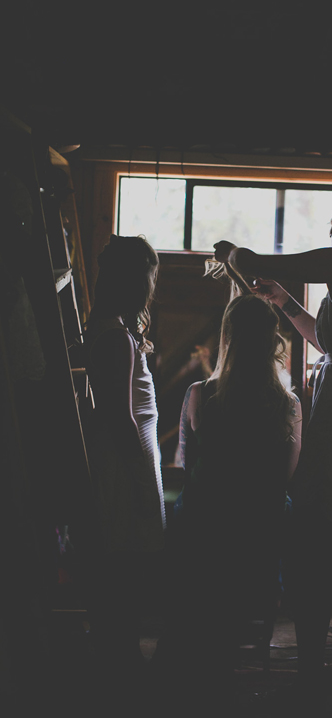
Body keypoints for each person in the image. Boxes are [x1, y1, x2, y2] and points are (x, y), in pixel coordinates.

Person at [212, 199, 332, 688]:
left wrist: (236, 255)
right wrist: (285, 302)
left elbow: (261, 262)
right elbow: (329, 340)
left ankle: (311, 663)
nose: (331, 235)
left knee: (311, 543)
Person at [167, 293, 301, 680]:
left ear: (227, 338)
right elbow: (284, 477)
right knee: (279, 506)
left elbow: (187, 464)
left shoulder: (200, 394)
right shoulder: (288, 405)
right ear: (272, 341)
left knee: (191, 503)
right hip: (257, 539)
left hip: (208, 537)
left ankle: (190, 625)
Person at [84, 234, 165, 675]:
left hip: (129, 461)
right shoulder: (115, 337)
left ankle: (119, 655)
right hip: (123, 465)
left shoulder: (112, 328)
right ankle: (122, 662)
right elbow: (120, 416)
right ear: (138, 280)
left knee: (126, 563)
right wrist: (138, 477)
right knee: (126, 565)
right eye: (151, 275)